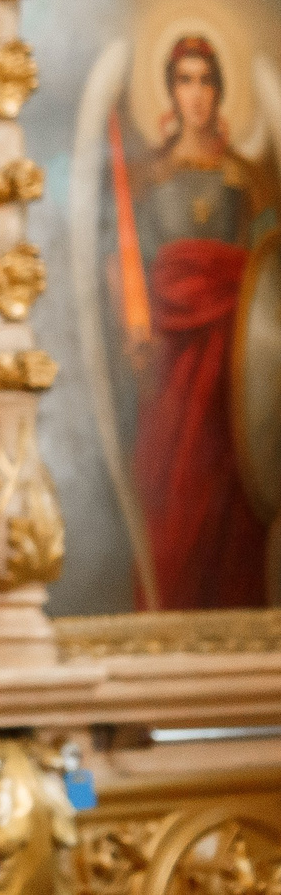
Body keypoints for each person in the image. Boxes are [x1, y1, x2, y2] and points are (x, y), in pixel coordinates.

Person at [112, 35, 275, 610]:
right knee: (171, 489)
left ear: (219, 91)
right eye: (185, 79)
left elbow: (266, 269)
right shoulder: (145, 176)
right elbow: (126, 263)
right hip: (169, 359)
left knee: (231, 493)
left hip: (234, 361)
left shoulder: (247, 177)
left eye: (206, 80)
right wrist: (133, 330)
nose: (196, 94)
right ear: (170, 90)